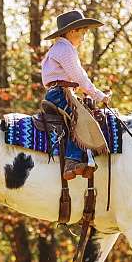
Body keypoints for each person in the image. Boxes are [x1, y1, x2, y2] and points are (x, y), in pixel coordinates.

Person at [41, 10, 111, 180]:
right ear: (72, 31)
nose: (83, 38)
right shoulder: (65, 49)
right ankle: (72, 161)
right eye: (82, 33)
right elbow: (79, 77)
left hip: (56, 92)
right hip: (61, 94)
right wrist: (99, 96)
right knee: (80, 118)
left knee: (82, 115)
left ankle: (86, 157)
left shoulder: (57, 48)